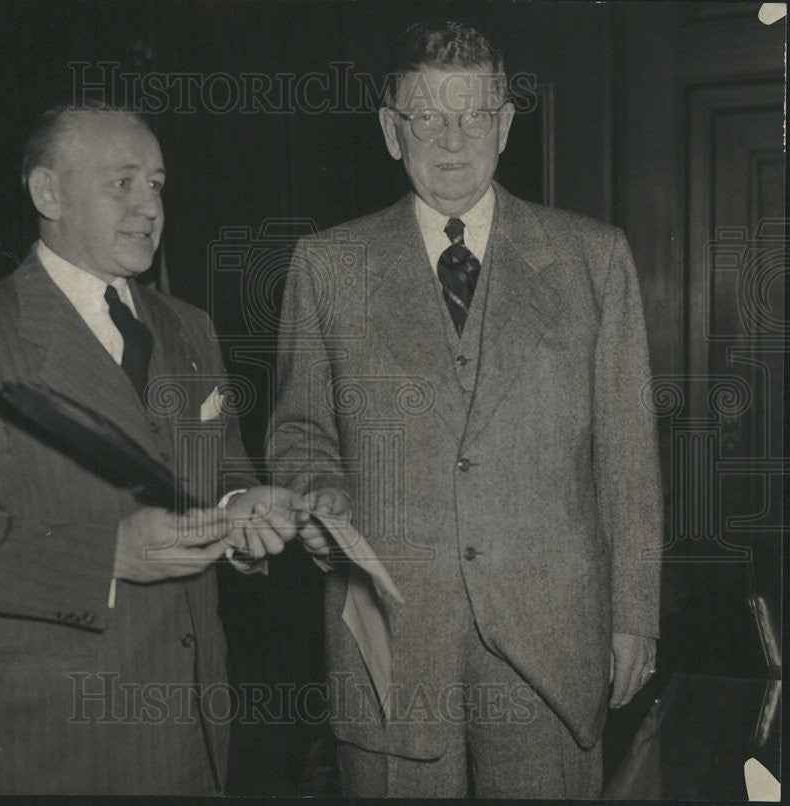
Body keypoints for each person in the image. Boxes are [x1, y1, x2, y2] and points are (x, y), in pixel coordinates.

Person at [268, 21, 663, 798]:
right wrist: (321, 498)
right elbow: (298, 431)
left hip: (550, 640)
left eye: (474, 114)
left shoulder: (593, 258)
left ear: (505, 125)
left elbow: (628, 456)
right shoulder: (327, 265)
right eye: (427, 117)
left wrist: (635, 615)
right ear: (391, 131)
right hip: (389, 637)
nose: (452, 139)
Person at [0, 104, 304, 795]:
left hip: (195, 729)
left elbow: (222, 467)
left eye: (159, 184)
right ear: (48, 194)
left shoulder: (190, 328)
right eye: (123, 183)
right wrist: (109, 556)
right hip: (54, 742)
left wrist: (240, 508)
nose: (150, 207)